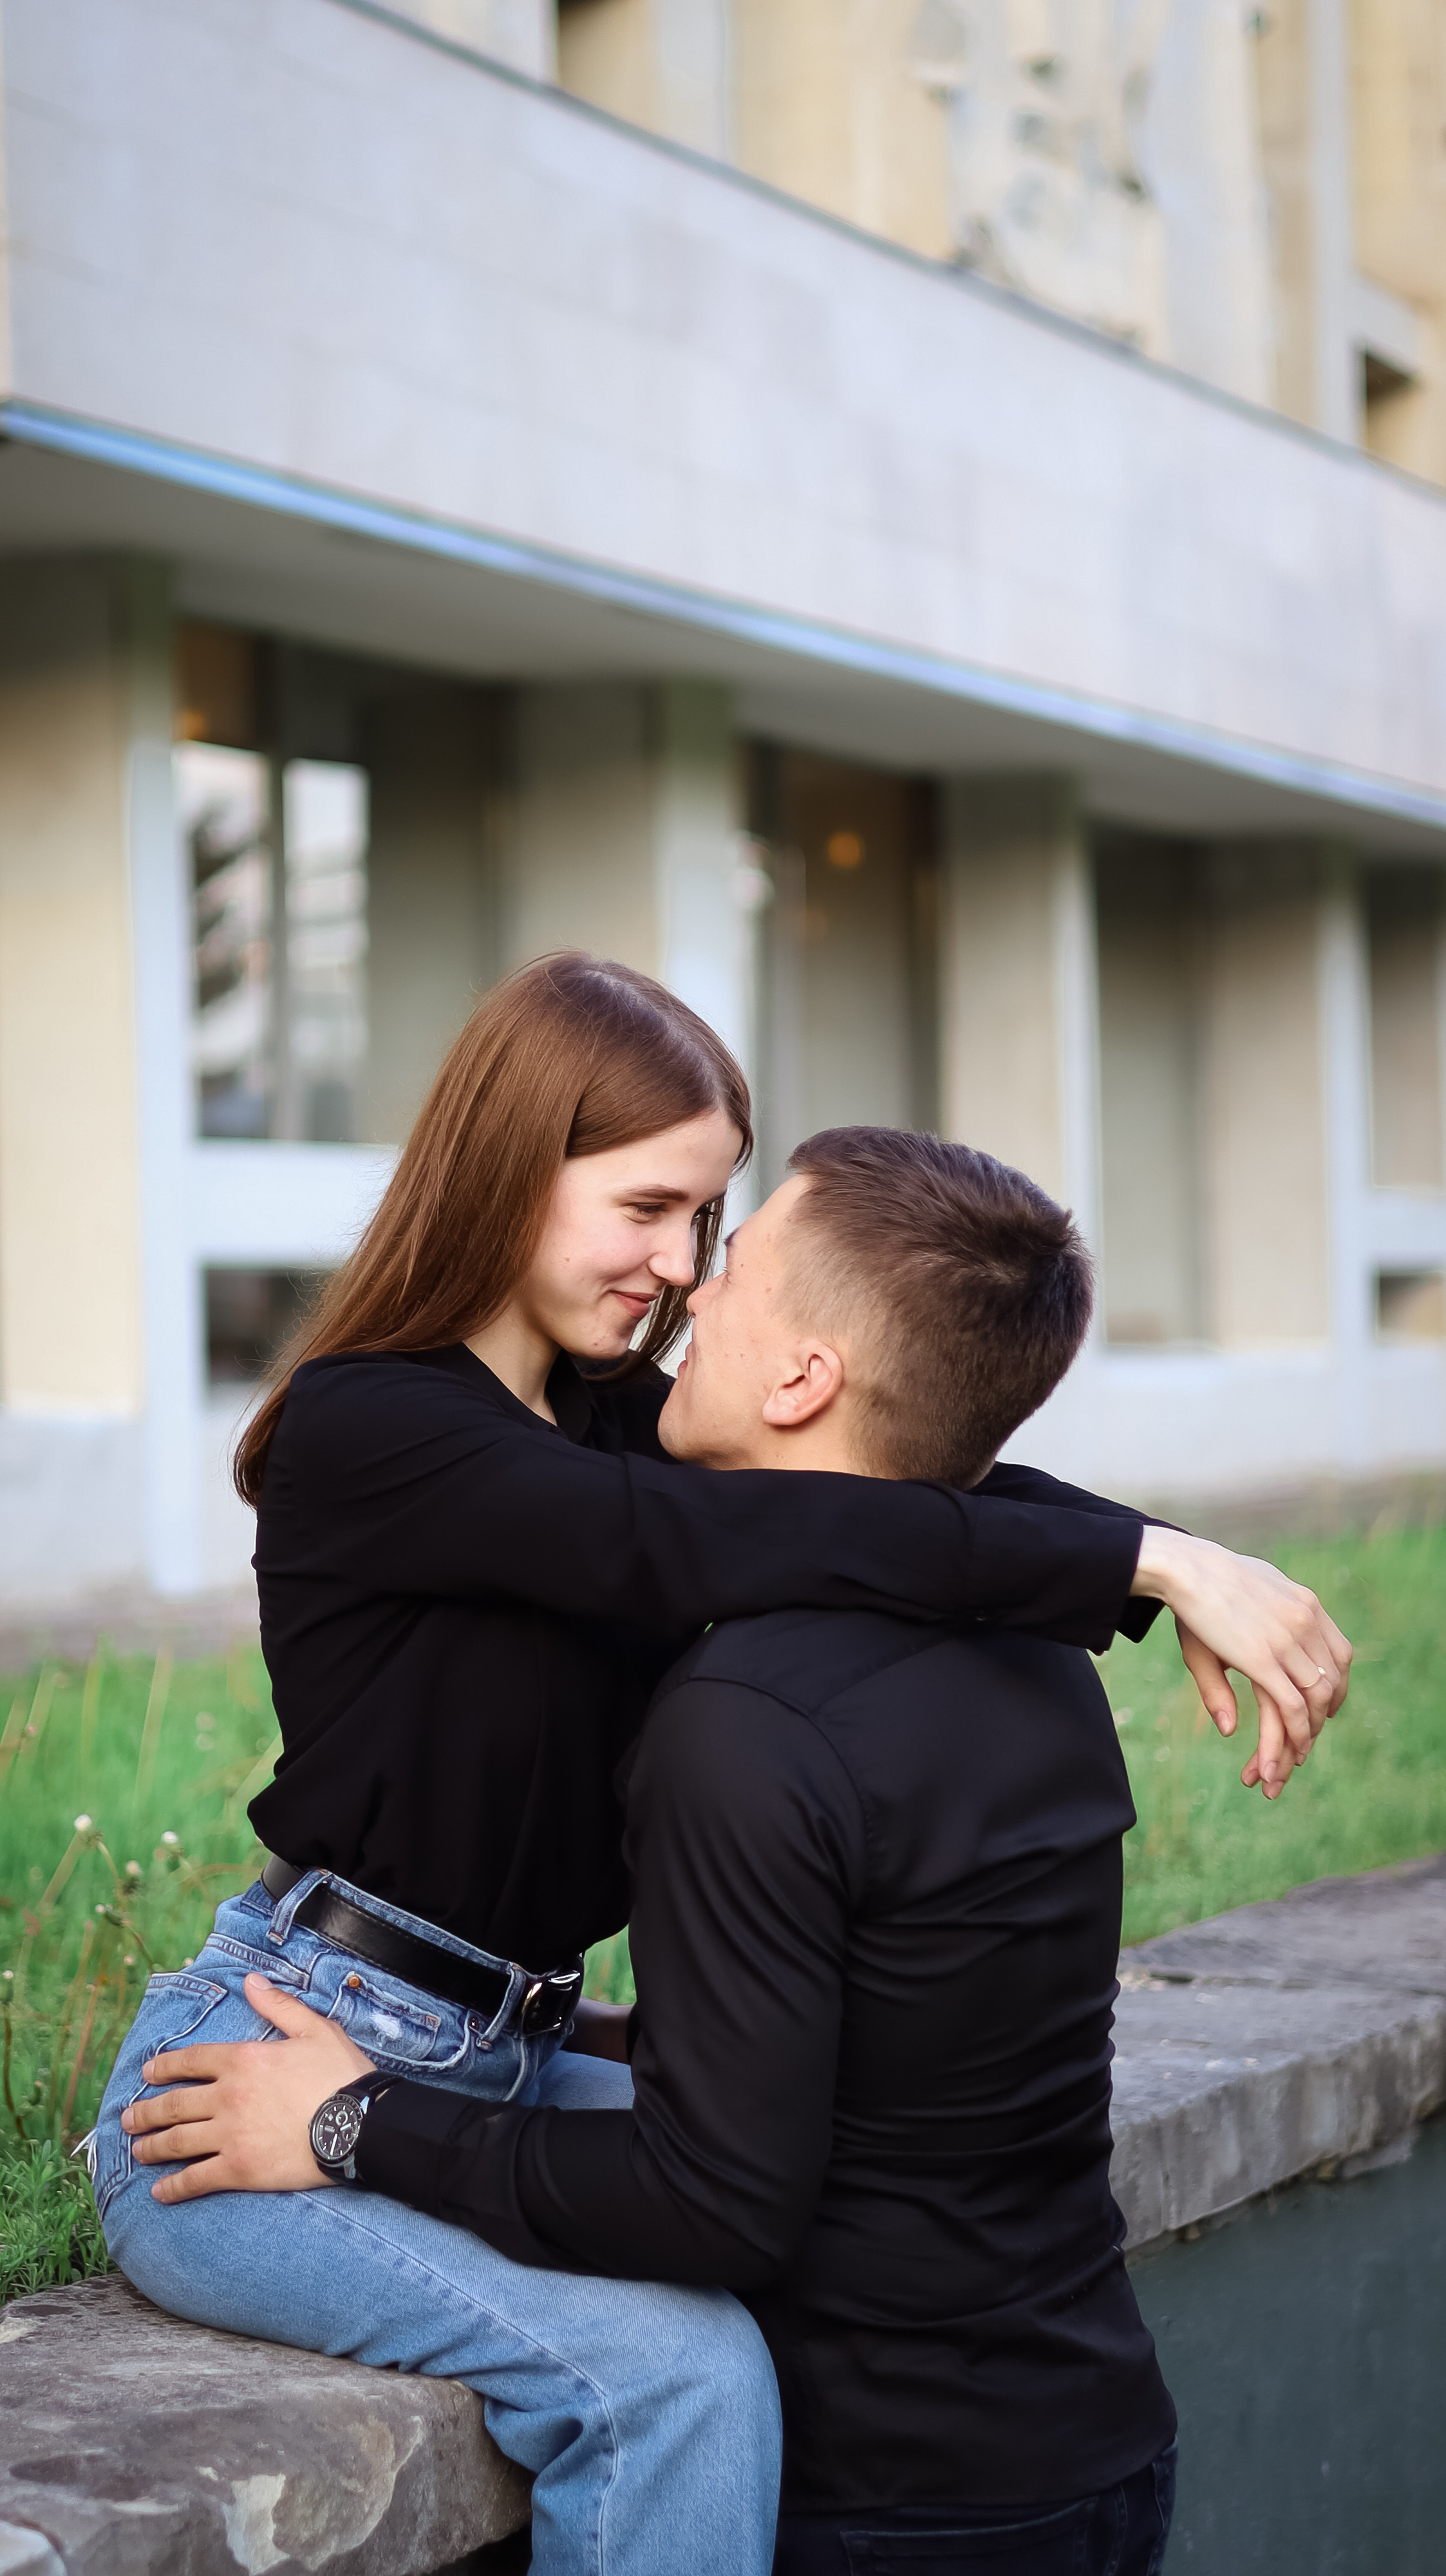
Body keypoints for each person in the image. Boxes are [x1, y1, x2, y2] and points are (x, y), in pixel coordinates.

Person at [98, 965, 1348, 2576]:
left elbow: (896, 1470)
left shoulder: (616, 1416)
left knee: (809, 2161)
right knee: (675, 2378)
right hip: (272, 2054)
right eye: (648, 1206)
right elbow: (693, 1536)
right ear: (509, 1164)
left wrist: (1156, 1550)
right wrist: (1136, 1561)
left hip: (511, 2034)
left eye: (710, 1220)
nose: (679, 1270)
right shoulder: (379, 1426)